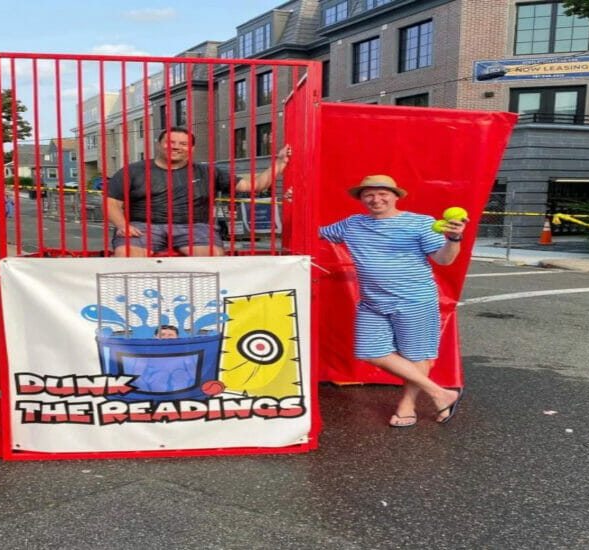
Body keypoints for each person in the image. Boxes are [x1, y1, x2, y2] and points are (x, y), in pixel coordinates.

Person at [318, 174, 467, 427]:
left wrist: (454, 239)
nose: (376, 199)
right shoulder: (351, 224)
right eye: (369, 195)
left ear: (396, 196)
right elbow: (314, 232)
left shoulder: (420, 223)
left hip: (414, 301)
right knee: (369, 351)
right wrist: (289, 203)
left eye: (383, 193)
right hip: (372, 303)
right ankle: (440, 393)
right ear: (362, 199)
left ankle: (407, 406)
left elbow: (444, 260)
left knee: (415, 355)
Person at [107, 127, 291, 257]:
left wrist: (280, 163)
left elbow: (255, 185)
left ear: (191, 149)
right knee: (127, 258)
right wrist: (122, 225)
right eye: (170, 142)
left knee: (212, 257)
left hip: (195, 227)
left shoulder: (208, 172)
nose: (176, 146)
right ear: (159, 144)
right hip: (143, 226)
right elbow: (112, 202)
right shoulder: (132, 170)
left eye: (183, 143)